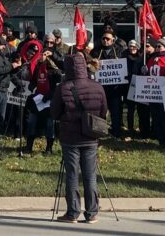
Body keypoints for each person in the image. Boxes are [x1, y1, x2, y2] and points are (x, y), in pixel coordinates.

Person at [50, 52, 107, 224]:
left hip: (70, 137)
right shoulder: (98, 86)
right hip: (91, 136)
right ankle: (92, 213)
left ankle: (73, 212)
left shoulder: (63, 87)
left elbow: (54, 113)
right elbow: (103, 112)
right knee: (90, 175)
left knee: (72, 175)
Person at [24, 47, 61, 154]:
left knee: (50, 124)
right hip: (38, 100)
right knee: (31, 121)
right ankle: (29, 146)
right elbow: (35, 81)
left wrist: (49, 95)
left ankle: (49, 148)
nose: (41, 56)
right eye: (40, 54)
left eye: (43, 54)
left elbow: (57, 86)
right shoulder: (38, 67)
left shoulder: (55, 71)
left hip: (49, 101)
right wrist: (30, 86)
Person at [145, 37, 165, 146]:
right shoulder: (151, 59)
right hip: (154, 94)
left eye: (160, 46)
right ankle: (160, 140)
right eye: (156, 46)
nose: (157, 48)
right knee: (156, 118)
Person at [92, 30, 123, 138]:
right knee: (101, 111)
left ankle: (116, 132)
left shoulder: (119, 51)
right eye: (103, 38)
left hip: (115, 89)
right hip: (100, 88)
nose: (105, 41)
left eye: (108, 39)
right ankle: (101, 131)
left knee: (116, 111)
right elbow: (90, 68)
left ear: (113, 40)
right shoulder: (96, 52)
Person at [123, 40, 149, 138]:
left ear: (138, 48)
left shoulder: (142, 58)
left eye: (134, 46)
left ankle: (143, 130)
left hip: (140, 86)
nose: (132, 48)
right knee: (130, 110)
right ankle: (130, 129)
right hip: (129, 86)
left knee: (141, 110)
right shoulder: (124, 57)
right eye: (130, 46)